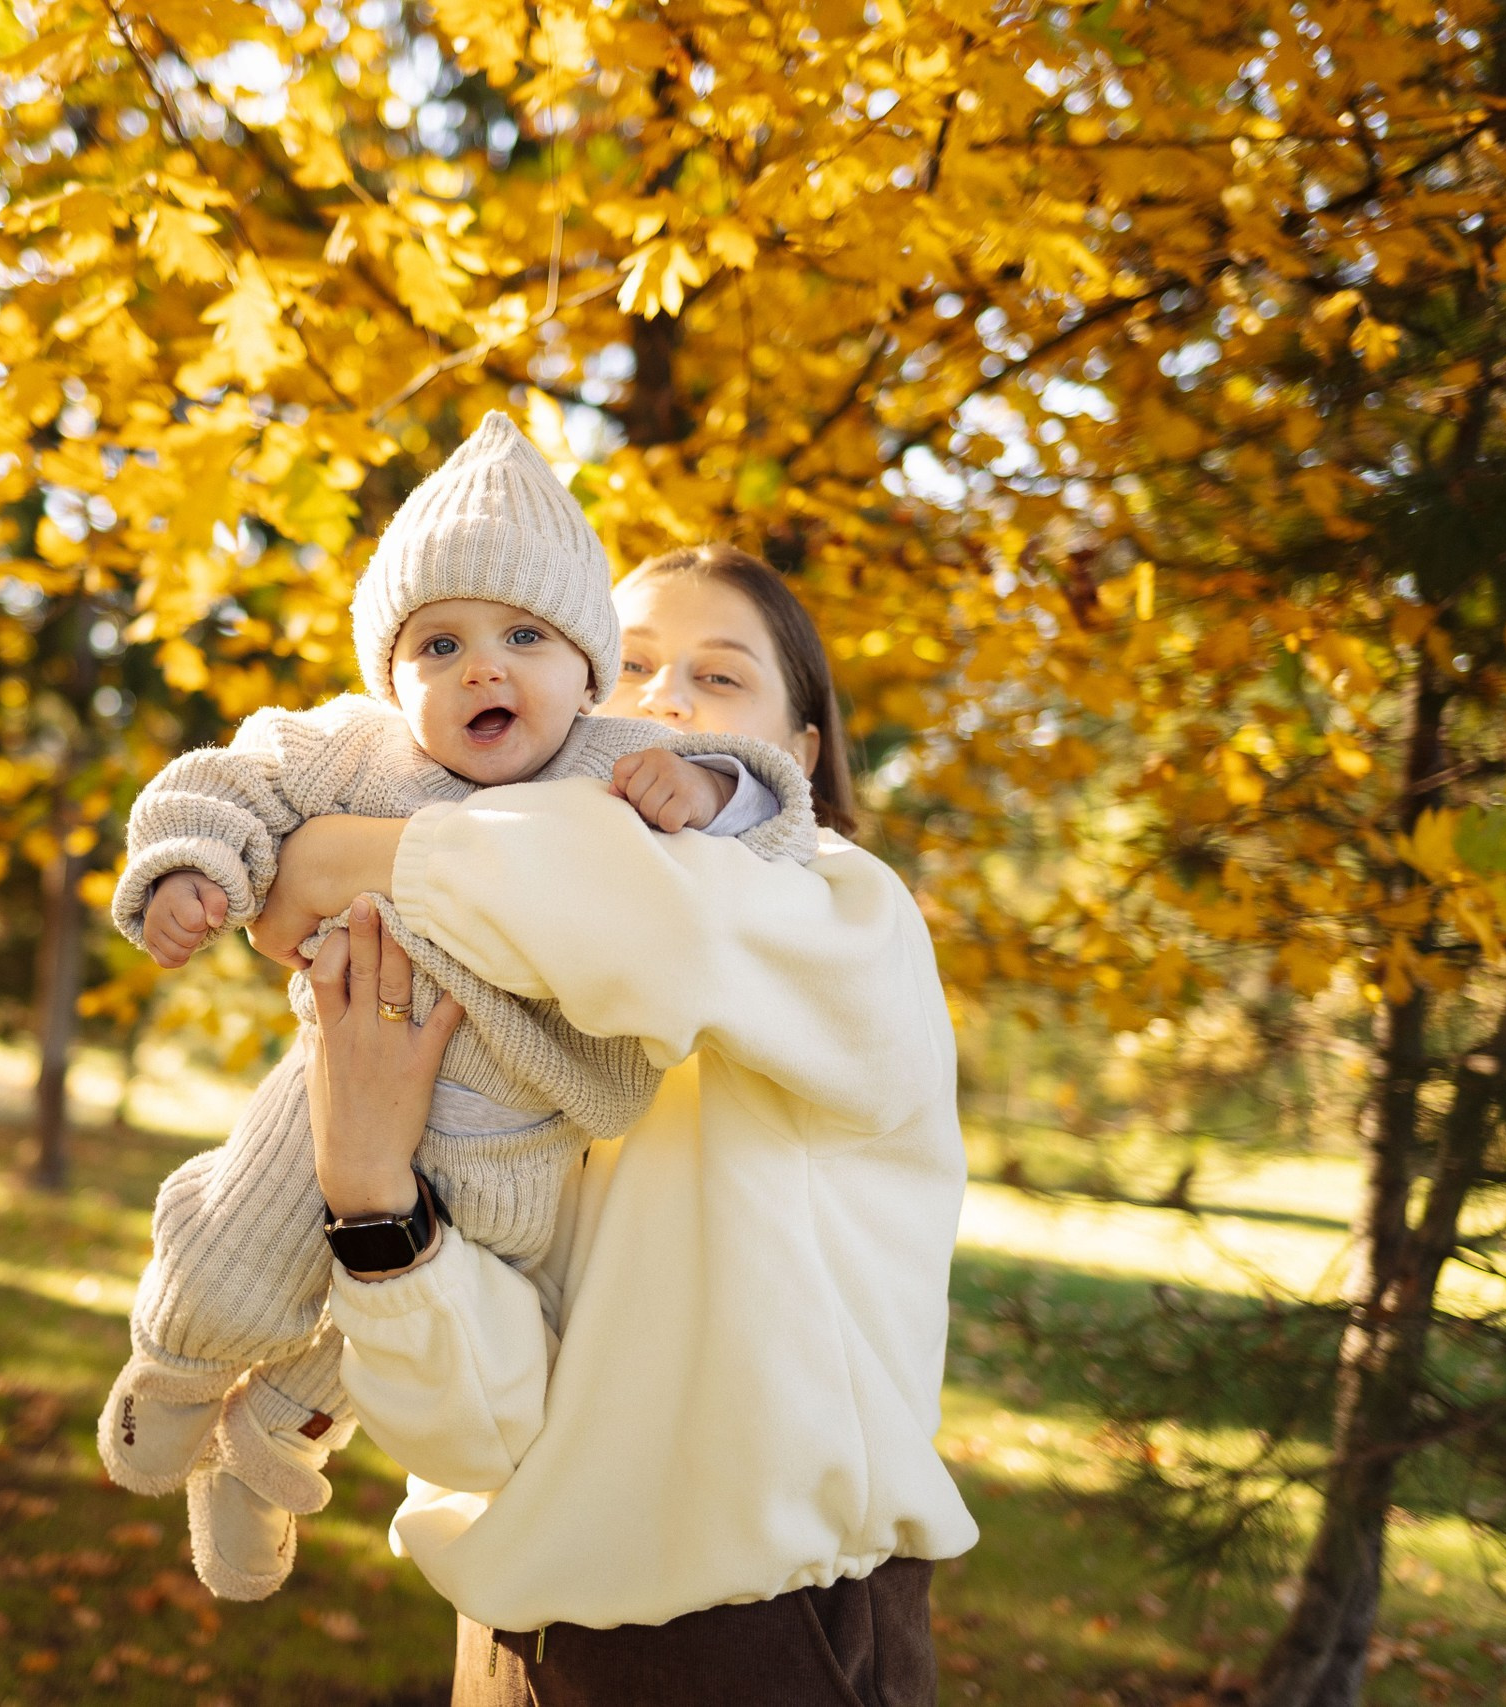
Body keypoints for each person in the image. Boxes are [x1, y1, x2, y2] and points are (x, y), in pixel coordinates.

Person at [95, 423, 821, 1600]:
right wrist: (193, 871)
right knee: (239, 1260)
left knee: (402, 1328)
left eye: (525, 637)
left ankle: (269, 1445)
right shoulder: (358, 750)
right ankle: (174, 1371)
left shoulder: (614, 760)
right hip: (346, 1069)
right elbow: (224, 779)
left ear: (585, 672)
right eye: (441, 643)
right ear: (391, 676)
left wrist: (707, 782)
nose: (486, 668)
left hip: (522, 1125)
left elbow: (776, 812)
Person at [255, 544, 976, 1705]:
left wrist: (349, 850)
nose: (664, 699)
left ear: (792, 758)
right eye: (627, 664)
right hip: (514, 1645)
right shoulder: (506, 1002)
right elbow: (477, 1434)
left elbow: (663, 927)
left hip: (762, 1637)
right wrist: (371, 1186)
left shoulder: (847, 912)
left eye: (721, 677)